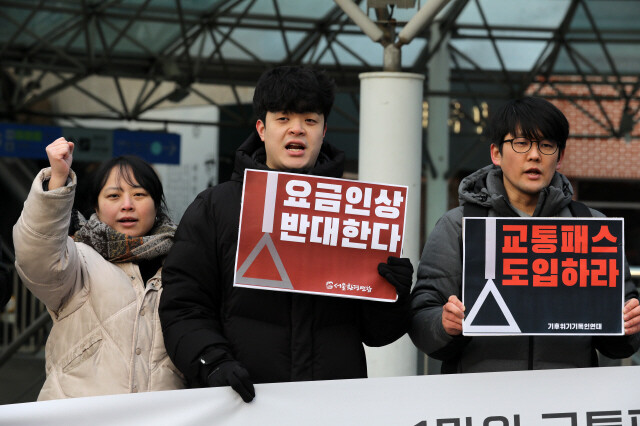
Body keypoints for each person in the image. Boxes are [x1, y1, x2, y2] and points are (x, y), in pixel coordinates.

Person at [159, 66, 413, 402]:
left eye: (310, 120)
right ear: (262, 129)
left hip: (333, 407)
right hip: (241, 403)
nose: (297, 129)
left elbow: (377, 333)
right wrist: (213, 362)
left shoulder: (356, 212)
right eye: (283, 119)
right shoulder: (215, 208)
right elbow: (184, 305)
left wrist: (393, 295)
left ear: (324, 131)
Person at [410, 97, 640, 373]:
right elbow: (421, 316)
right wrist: (443, 324)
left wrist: (628, 325)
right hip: (479, 401)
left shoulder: (592, 226)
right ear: (496, 153)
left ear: (560, 155)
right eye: (521, 143)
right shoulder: (460, 225)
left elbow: (622, 336)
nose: (534, 155)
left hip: (567, 401)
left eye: (546, 145)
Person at [13, 139, 186, 400]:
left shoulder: (185, 263)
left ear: (156, 204)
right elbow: (37, 255)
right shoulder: (76, 258)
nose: (127, 204)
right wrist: (58, 181)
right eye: (114, 196)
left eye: (139, 194)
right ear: (96, 206)